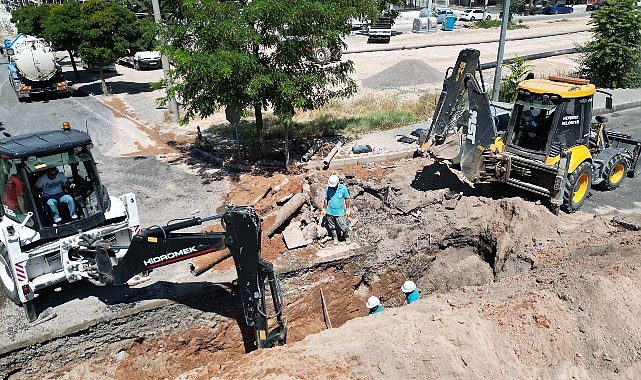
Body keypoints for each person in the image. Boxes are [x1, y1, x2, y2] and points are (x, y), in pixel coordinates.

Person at [322, 174, 350, 245]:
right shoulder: (328, 189)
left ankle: (346, 236)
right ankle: (335, 237)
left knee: (343, 225)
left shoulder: (343, 188)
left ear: (337, 183)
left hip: (340, 211)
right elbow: (326, 199)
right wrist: (324, 209)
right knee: (331, 225)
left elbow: (347, 199)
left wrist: (347, 209)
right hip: (330, 211)